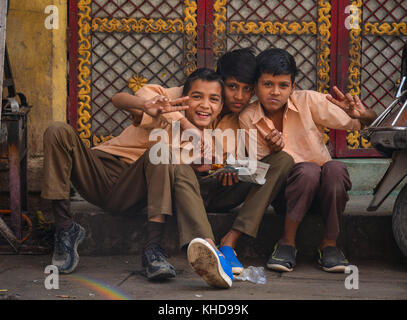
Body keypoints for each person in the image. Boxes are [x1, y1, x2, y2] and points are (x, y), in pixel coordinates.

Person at [41, 68, 233, 287]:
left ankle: (152, 249)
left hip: (135, 189)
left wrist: (199, 165)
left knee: (160, 152)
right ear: (184, 97)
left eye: (214, 100)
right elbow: (118, 98)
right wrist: (148, 108)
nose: (205, 105)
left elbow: (182, 179)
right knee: (57, 131)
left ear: (221, 107)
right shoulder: (165, 114)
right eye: (197, 97)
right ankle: (65, 228)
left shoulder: (210, 143)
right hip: (101, 171)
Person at [115, 48, 294, 276]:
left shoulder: (244, 117)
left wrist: (231, 168)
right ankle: (208, 247)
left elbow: (241, 161)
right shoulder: (180, 99)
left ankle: (229, 242)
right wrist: (182, 123)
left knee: (282, 160)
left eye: (247, 89)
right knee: (178, 166)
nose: (239, 96)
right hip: (179, 187)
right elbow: (123, 100)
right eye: (232, 87)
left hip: (218, 187)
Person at [239, 48, 377, 273]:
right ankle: (287, 243)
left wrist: (362, 115)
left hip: (325, 195)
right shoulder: (249, 117)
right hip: (286, 195)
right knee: (308, 171)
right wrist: (274, 154)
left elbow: (364, 123)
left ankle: (330, 245)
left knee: (335, 168)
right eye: (267, 84)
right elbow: (262, 173)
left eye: (283, 85)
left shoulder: (308, 101)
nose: (275, 92)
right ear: (255, 87)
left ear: (293, 87)